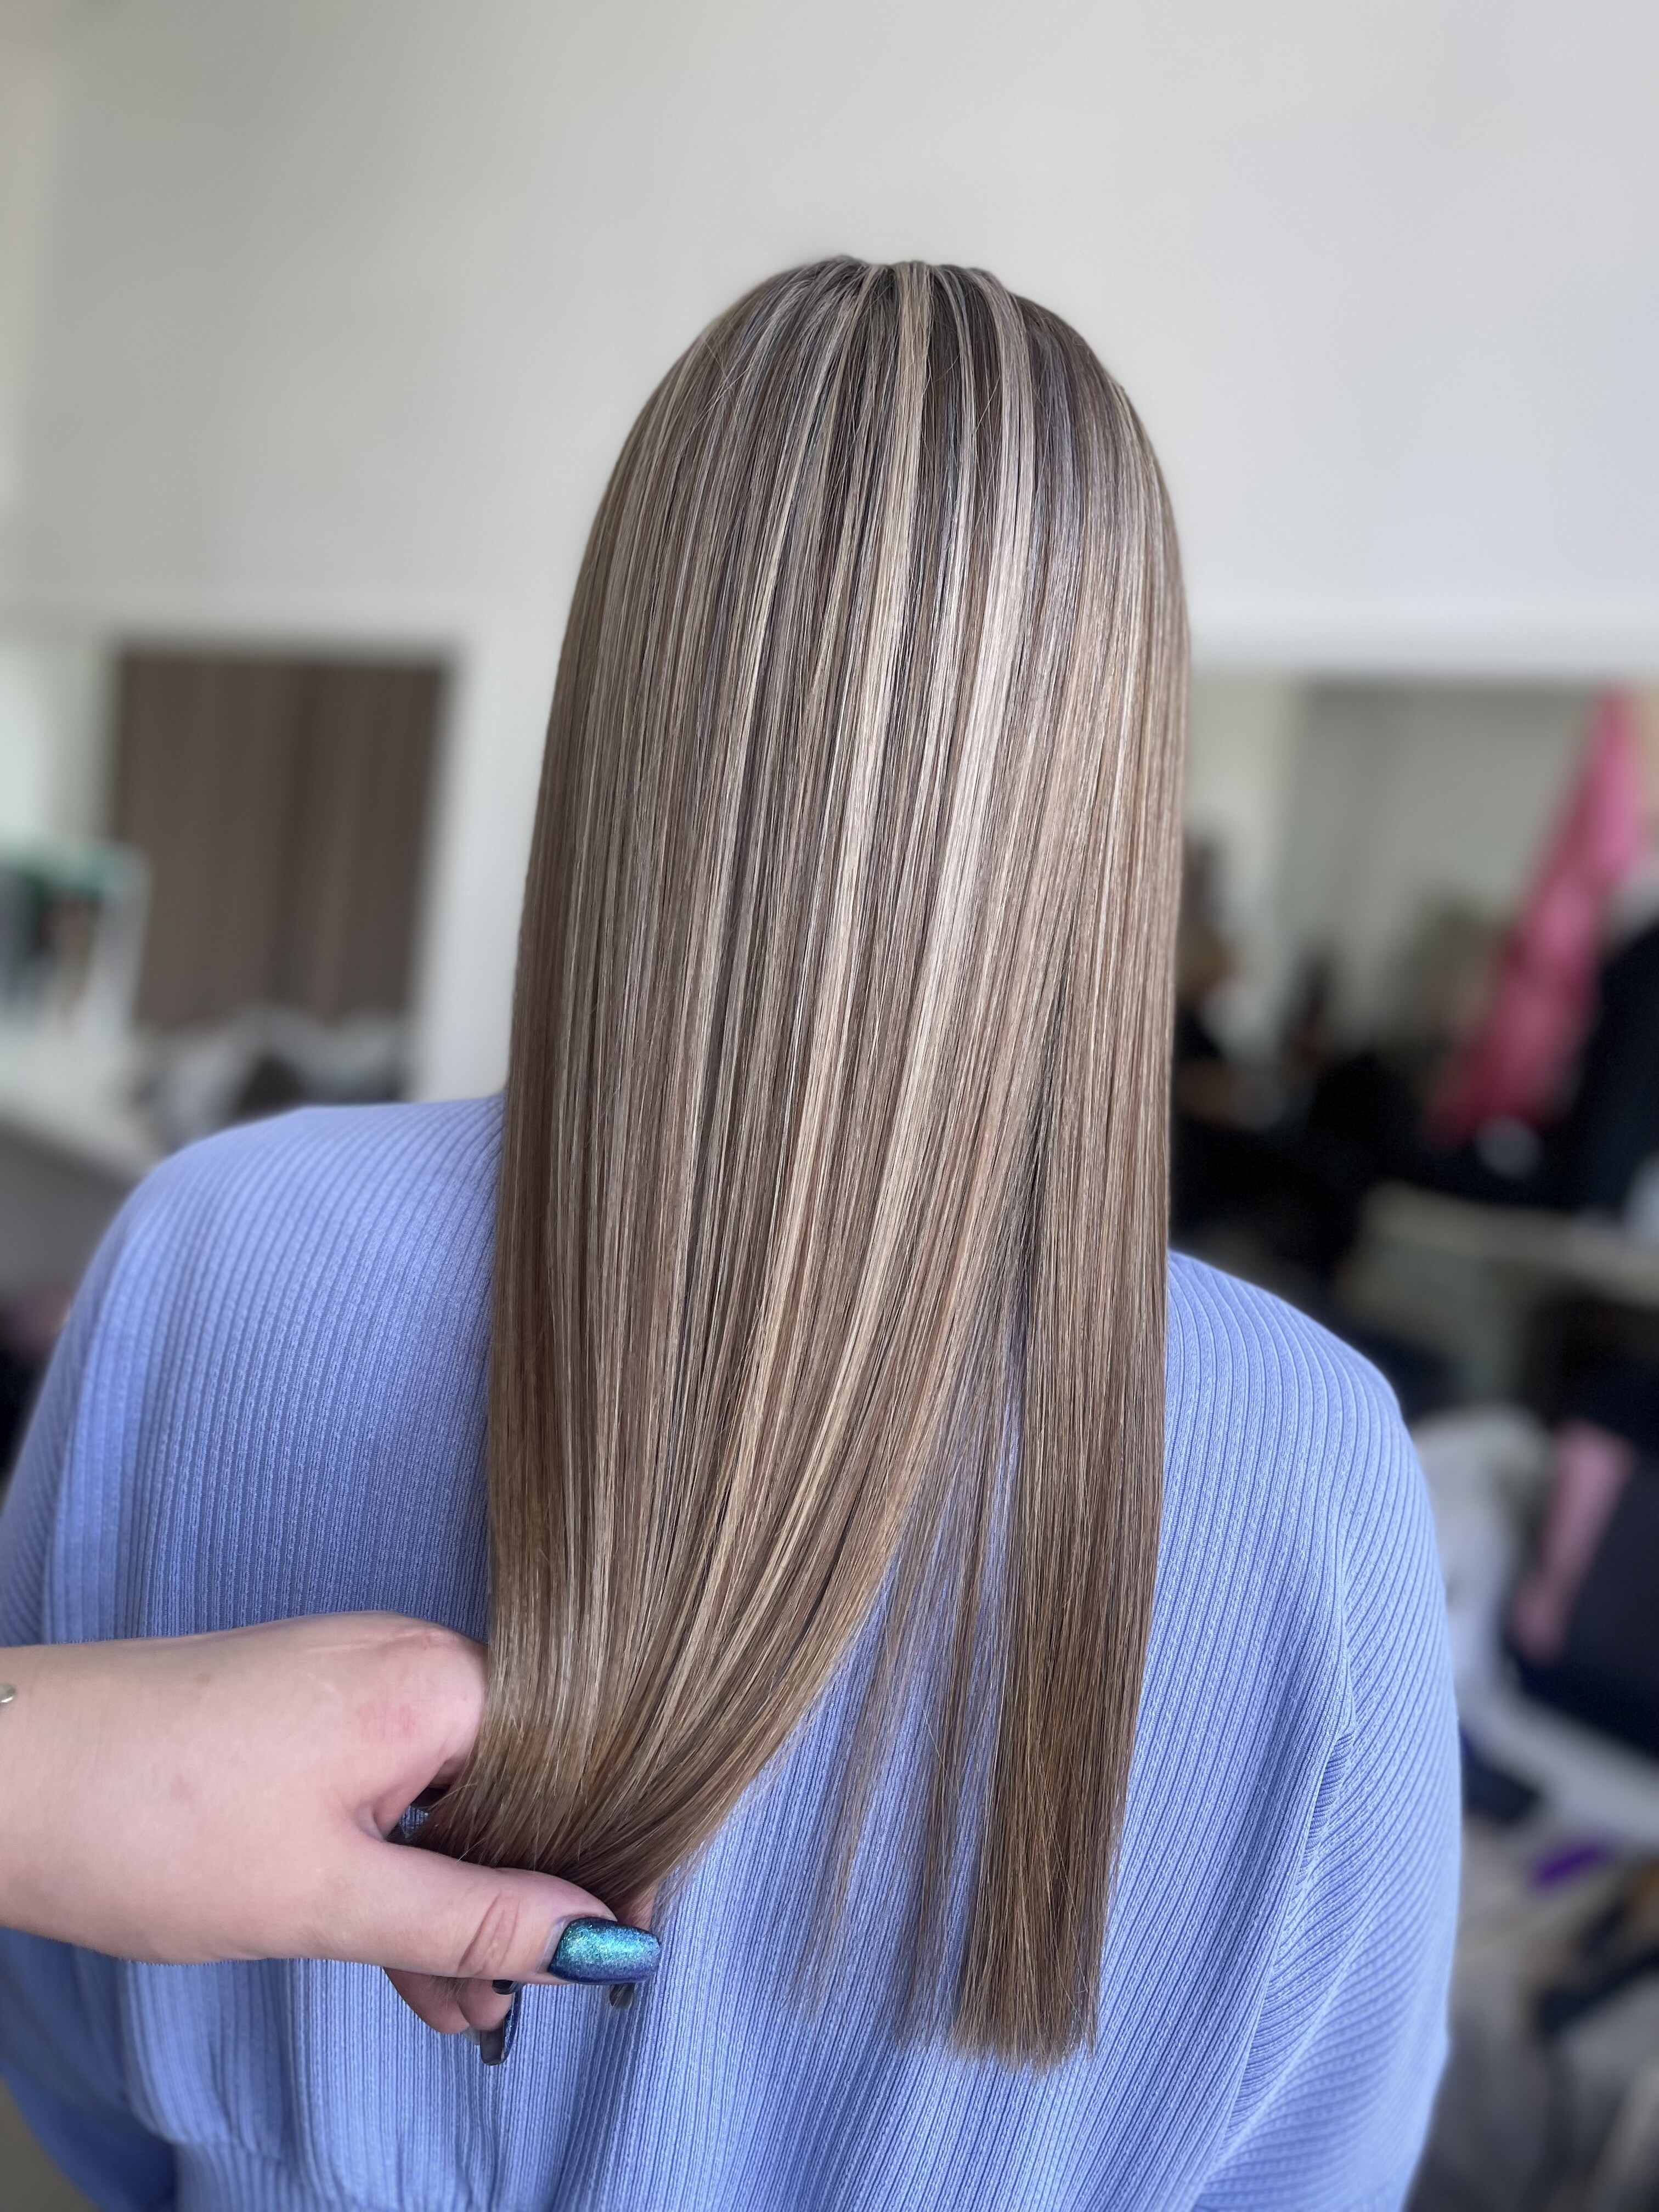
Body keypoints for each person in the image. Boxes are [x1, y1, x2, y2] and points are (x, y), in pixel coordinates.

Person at [0, 259, 1458, 2211]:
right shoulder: (1314, 1469)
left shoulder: (213, 1244)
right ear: (1108, 786)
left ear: (628, 690)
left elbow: (77, 2055)